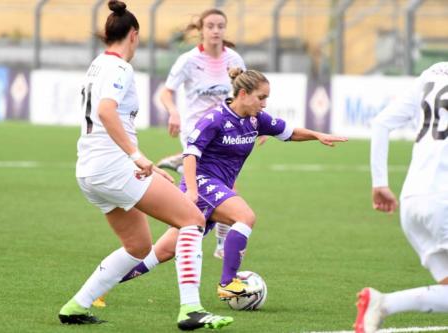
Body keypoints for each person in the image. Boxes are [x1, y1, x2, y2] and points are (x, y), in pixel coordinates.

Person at [91, 68, 347, 303]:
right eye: (261, 97)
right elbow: (190, 155)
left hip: (217, 188)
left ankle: (98, 291)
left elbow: (289, 132)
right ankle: (228, 283)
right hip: (203, 185)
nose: (265, 103)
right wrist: (191, 191)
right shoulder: (214, 119)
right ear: (243, 94)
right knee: (245, 217)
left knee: (162, 252)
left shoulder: (256, 120)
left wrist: (317, 135)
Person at [57, 1, 233, 330]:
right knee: (193, 220)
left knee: (138, 246)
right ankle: (191, 310)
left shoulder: (97, 64)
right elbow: (107, 112)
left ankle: (75, 306)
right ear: (133, 35)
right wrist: (136, 156)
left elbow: (112, 118)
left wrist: (139, 159)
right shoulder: (120, 68)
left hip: (91, 170)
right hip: (113, 167)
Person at [354, 62, 448, 333]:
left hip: (414, 201)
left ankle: (383, 303)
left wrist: (380, 182)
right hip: (443, 201)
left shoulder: (434, 72)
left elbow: (382, 122)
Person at [157, 8, 246, 261]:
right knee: (223, 187)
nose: (216, 30)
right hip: (196, 132)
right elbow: (166, 92)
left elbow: (245, 95)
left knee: (225, 184)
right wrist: (173, 112)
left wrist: (253, 122)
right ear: (202, 30)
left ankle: (182, 167)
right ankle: (216, 242)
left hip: (226, 131)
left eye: (220, 26)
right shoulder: (188, 61)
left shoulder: (235, 60)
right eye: (211, 26)